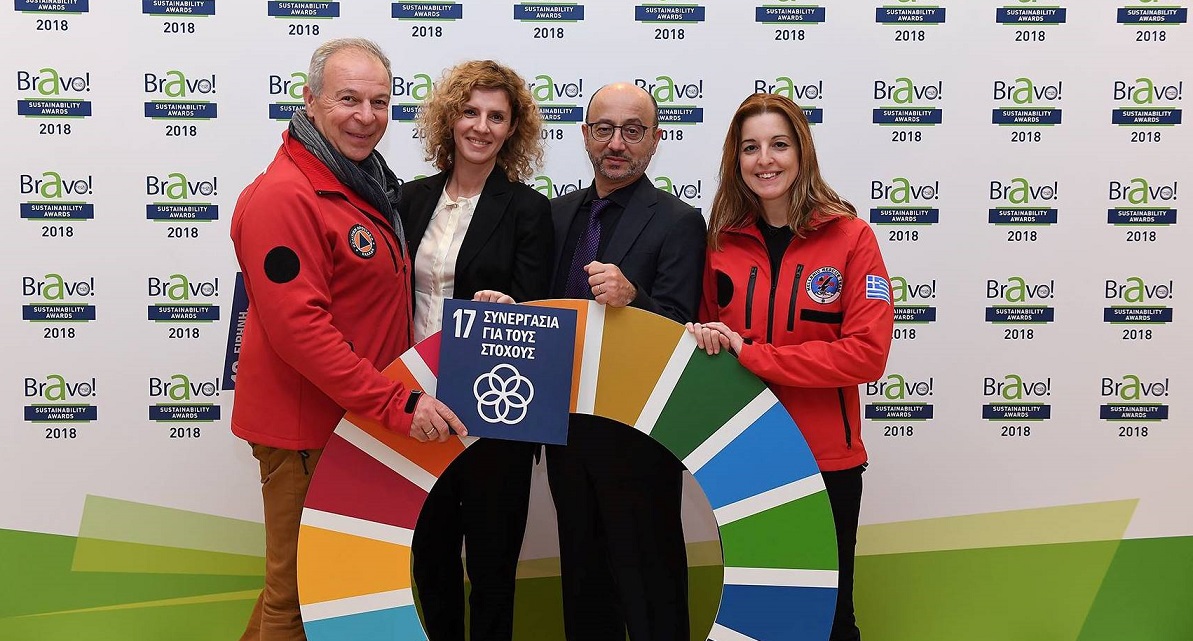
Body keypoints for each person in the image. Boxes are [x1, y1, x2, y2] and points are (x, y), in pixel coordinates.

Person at [229, 38, 464, 641]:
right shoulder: (286, 196)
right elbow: (300, 331)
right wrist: (397, 402)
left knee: (300, 585)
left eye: (379, 102)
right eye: (348, 99)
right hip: (307, 430)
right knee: (297, 598)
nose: (366, 116)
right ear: (309, 102)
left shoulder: (363, 184)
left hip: (351, 421)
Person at [478, 82, 706, 641]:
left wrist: (634, 299)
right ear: (584, 134)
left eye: (633, 131)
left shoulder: (679, 220)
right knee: (583, 588)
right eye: (604, 129)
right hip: (565, 432)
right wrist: (510, 310)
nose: (616, 143)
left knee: (651, 591)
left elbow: (681, 329)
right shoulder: (554, 215)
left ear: (656, 139)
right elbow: (537, 311)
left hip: (639, 440)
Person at [687, 93, 894, 641]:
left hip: (826, 459)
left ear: (802, 152)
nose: (765, 160)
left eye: (778, 144)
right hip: (745, 456)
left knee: (830, 617)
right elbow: (708, 344)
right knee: (760, 613)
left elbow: (866, 354)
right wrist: (707, 340)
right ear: (736, 159)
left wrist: (756, 355)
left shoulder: (851, 238)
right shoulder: (720, 242)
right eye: (750, 148)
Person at [402, 60, 553, 641]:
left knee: (492, 569)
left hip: (495, 410)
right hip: (418, 405)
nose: (481, 127)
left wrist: (512, 308)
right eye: (470, 112)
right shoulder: (410, 200)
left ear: (513, 129)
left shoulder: (528, 209)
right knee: (430, 558)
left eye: (496, 116)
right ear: (450, 118)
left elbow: (538, 310)